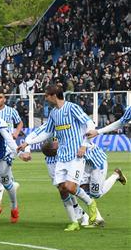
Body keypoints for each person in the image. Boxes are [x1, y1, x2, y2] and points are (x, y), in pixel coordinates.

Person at [18, 85, 99, 231]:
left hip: (76, 155)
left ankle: (90, 203)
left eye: (46, 96)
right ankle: (74, 222)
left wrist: (84, 145)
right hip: (61, 156)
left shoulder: (72, 108)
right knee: (62, 189)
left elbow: (89, 123)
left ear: (54, 95)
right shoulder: (54, 113)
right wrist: (27, 143)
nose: (45, 99)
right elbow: (47, 133)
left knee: (70, 187)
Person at [0, 91, 24, 206]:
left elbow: (20, 123)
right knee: (2, 172)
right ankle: (13, 184)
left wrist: (16, 132)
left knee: (3, 169)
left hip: (9, 145)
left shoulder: (11, 111)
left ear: (4, 99)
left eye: (0, 97)